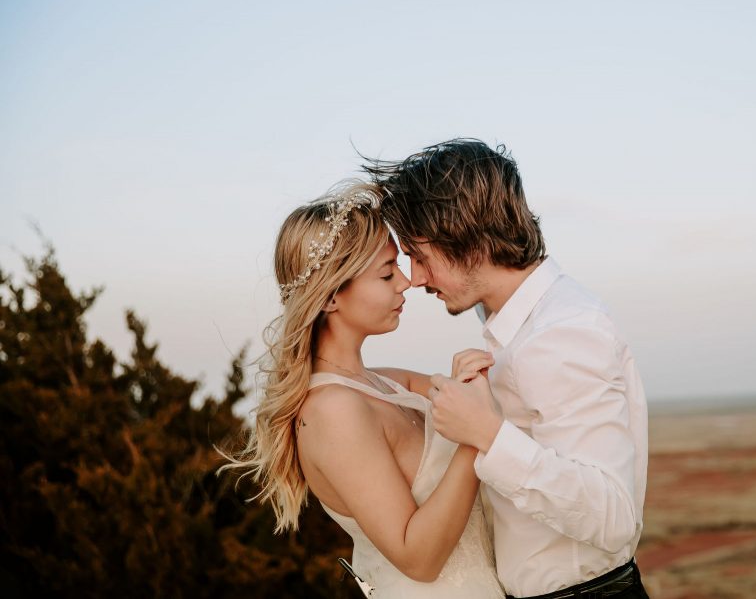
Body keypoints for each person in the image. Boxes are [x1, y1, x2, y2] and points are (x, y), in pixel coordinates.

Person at [364, 140, 650, 599]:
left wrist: (488, 435)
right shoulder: (514, 323)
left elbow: (614, 518)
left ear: (465, 237)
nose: (415, 278)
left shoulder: (562, 332)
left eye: (419, 255)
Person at [221, 180, 505, 598]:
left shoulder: (388, 382)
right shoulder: (332, 411)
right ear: (331, 298)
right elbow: (418, 558)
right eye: (387, 273)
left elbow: (491, 393)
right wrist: (472, 437)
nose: (404, 283)